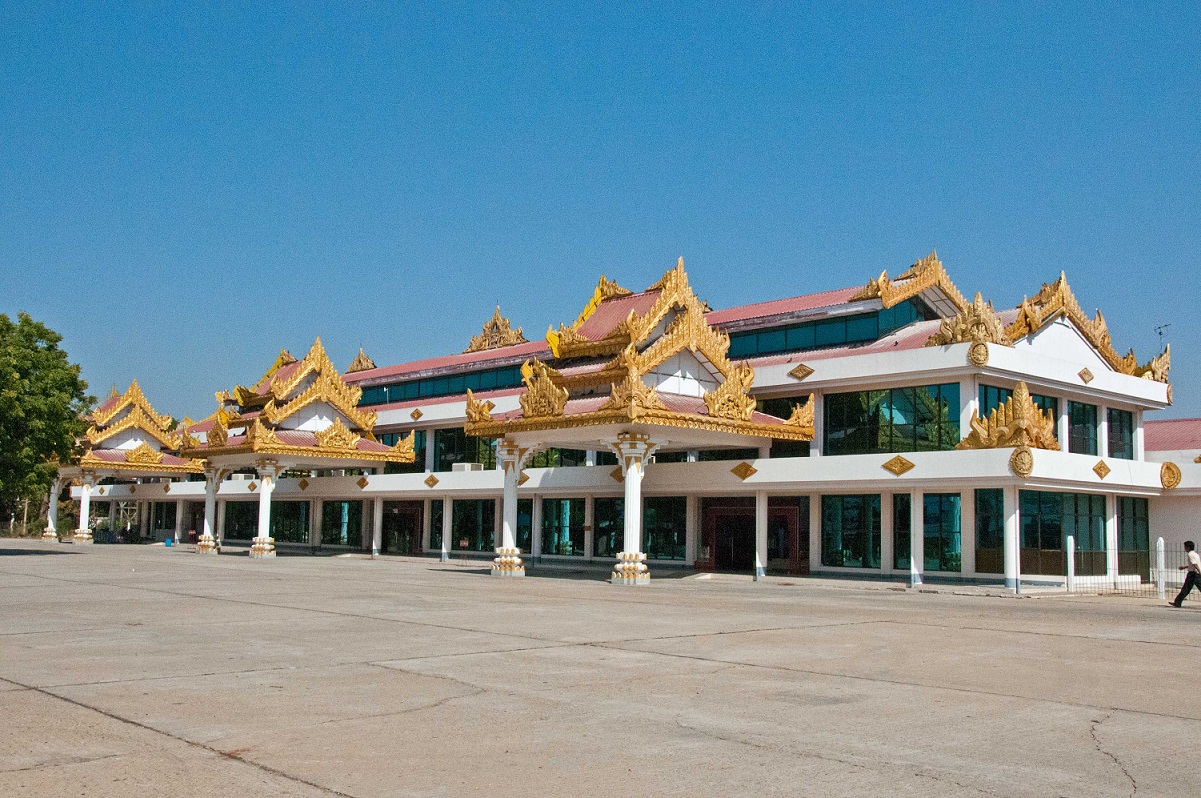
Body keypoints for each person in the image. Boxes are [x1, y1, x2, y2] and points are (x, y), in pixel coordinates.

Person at [1170, 540, 1201, 608]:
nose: (1185, 549)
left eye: (1185, 547)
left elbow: (1195, 564)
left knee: (1186, 588)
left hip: (1193, 574)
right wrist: (1184, 567)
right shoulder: (1195, 554)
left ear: (1188, 548)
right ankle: (1177, 602)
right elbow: (1193, 564)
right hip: (1195, 573)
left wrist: (1199, 571)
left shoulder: (1190, 554)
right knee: (1186, 588)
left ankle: (1177, 602)